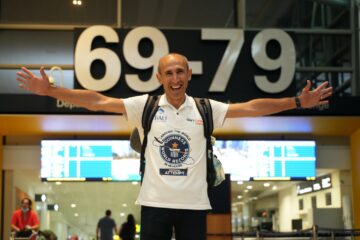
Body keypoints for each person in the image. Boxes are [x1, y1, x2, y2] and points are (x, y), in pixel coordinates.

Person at [16, 53, 332, 240]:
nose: (175, 77)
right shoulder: (146, 105)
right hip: (154, 207)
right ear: (160, 77)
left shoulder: (206, 108)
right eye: (168, 73)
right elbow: (98, 101)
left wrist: (296, 101)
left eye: (180, 71)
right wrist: (52, 90)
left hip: (195, 208)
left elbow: (252, 108)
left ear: (189, 74)